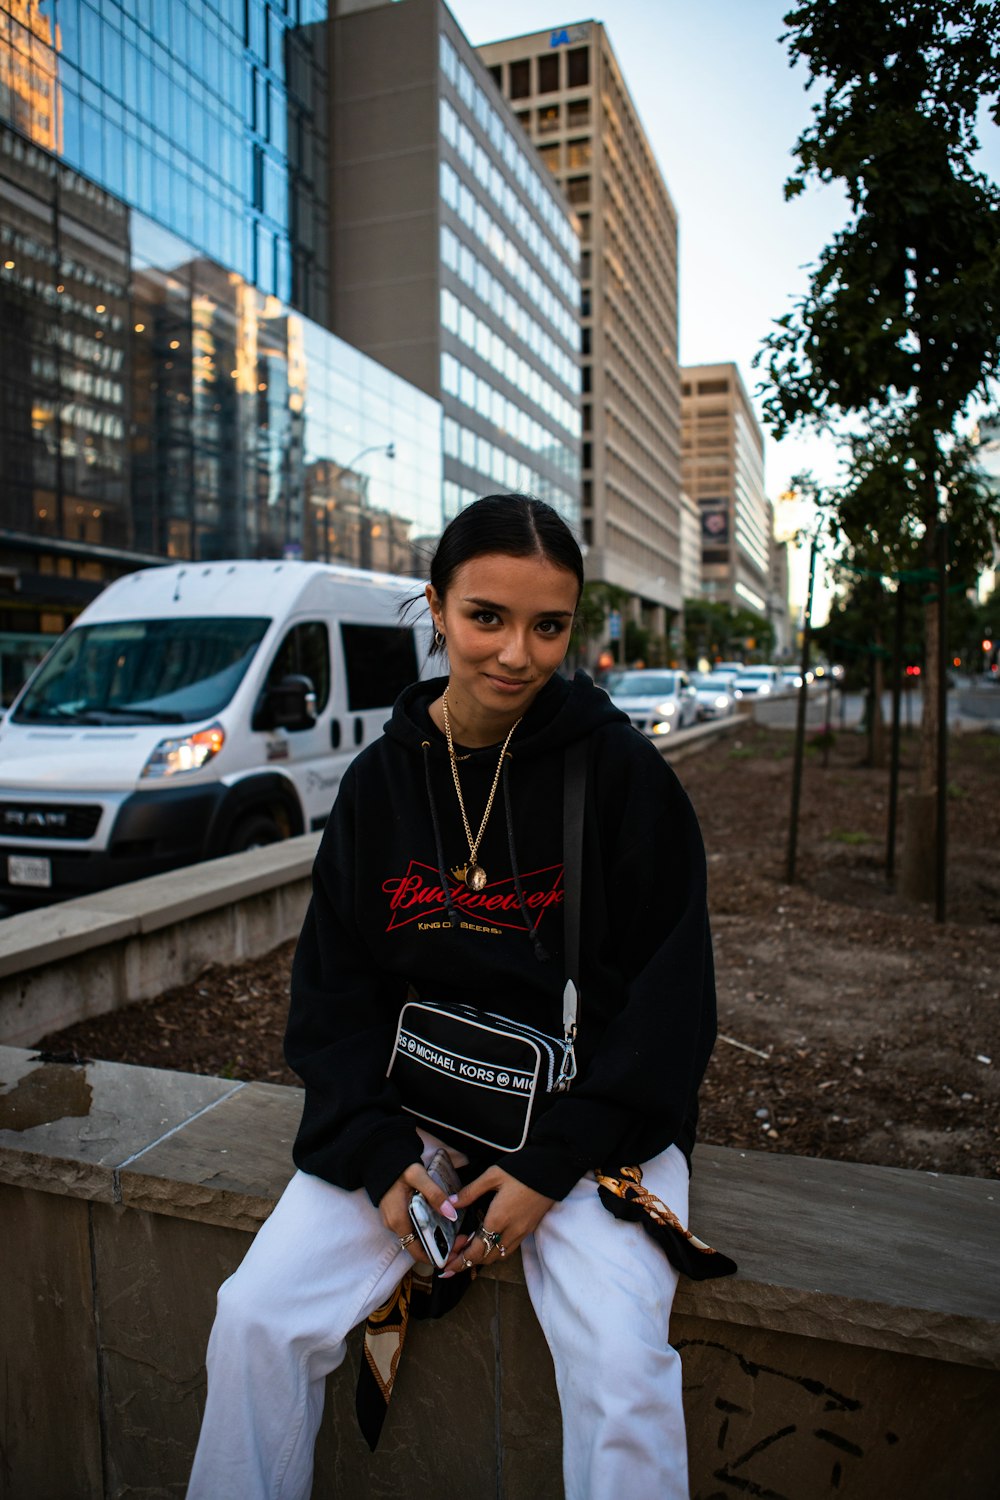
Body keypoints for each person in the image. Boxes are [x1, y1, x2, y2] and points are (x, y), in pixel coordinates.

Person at [187, 494, 721, 1500]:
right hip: (416, 1111)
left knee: (620, 1365)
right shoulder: (381, 781)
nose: (518, 652)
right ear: (436, 607)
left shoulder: (621, 777)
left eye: (548, 625)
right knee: (256, 1317)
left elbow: (671, 1008)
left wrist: (551, 1166)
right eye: (487, 617)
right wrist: (379, 1158)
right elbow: (335, 996)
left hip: (588, 1116)